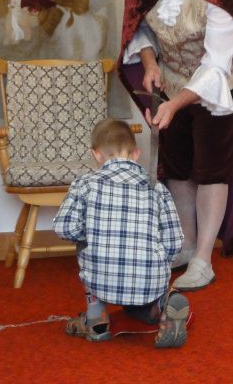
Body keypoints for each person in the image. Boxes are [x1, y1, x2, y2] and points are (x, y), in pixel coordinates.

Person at [118, 0, 233, 291]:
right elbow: (140, 25)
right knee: (178, 169)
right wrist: (150, 63)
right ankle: (184, 246)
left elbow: (216, 65)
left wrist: (175, 103)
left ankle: (203, 259)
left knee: (211, 170)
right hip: (171, 79)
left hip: (217, 86)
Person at [53, 118, 189, 348]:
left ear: (96, 154)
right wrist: (159, 262)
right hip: (149, 279)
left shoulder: (85, 184)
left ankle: (97, 321)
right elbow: (175, 240)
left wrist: (94, 233)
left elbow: (64, 228)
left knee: (86, 246)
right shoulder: (156, 187)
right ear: (136, 153)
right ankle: (162, 304)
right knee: (144, 293)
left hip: (100, 278)